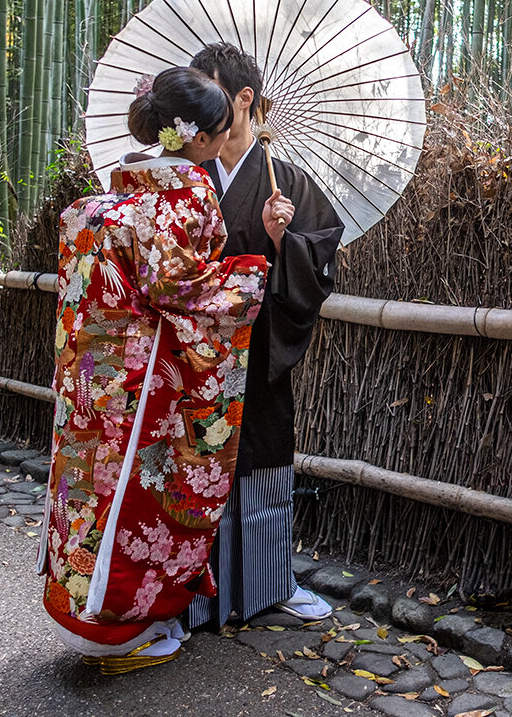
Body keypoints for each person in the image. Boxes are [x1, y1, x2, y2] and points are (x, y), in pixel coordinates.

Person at [38, 66, 269, 674]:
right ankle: (121, 632)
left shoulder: (96, 206)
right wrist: (250, 273)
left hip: (90, 386)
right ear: (197, 137)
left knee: (87, 494)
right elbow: (182, 288)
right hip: (143, 390)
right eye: (221, 131)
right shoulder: (181, 199)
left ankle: (84, 615)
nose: (225, 141)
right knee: (140, 498)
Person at [184, 42, 344, 629]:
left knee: (263, 457)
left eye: (213, 92)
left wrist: (283, 242)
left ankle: (270, 583)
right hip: (194, 355)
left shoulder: (289, 184)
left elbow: (322, 263)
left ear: (244, 99)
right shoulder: (186, 178)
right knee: (193, 465)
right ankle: (191, 589)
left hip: (257, 349)